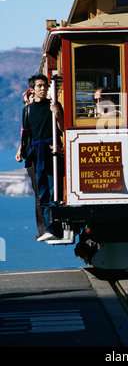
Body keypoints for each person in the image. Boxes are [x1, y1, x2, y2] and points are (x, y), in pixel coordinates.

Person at [22, 74, 64, 242]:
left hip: (52, 152)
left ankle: (56, 228)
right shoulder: (28, 110)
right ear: (32, 89)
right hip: (37, 154)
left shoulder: (53, 105)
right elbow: (27, 135)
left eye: (44, 85)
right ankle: (49, 228)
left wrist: (57, 113)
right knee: (43, 192)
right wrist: (24, 152)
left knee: (55, 191)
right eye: (39, 86)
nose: (42, 88)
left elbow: (62, 128)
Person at [15, 87, 46, 238]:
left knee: (41, 193)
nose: (27, 102)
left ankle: (45, 228)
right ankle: (42, 229)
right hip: (31, 157)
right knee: (38, 194)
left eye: (30, 98)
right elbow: (25, 136)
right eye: (26, 99)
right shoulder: (27, 114)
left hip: (38, 155)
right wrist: (20, 149)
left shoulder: (36, 114)